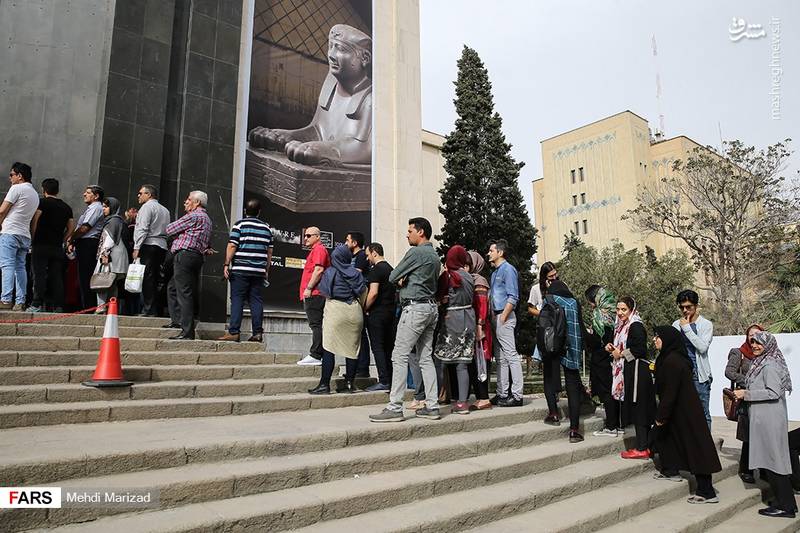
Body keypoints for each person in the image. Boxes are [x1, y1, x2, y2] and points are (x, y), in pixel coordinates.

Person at [249, 24, 372, 167]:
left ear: (365, 58)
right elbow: (318, 130)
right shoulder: (332, 84)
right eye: (331, 46)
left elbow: (363, 149)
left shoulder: (370, 99)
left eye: (341, 49)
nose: (331, 55)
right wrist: (284, 137)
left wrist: (325, 150)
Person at [370, 217, 441, 422]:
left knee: (399, 355)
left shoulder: (416, 252)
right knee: (426, 358)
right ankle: (433, 405)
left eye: (410, 230)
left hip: (415, 308)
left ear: (421, 232)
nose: (407, 234)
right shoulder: (434, 256)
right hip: (430, 308)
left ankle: (394, 407)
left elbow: (393, 277)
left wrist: (403, 280)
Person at [651, 326, 722, 503]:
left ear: (667, 339)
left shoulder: (673, 361)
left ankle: (707, 492)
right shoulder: (669, 358)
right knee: (667, 439)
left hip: (685, 412)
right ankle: (670, 469)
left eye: (657, 336)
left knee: (695, 447)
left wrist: (661, 416)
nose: (654, 340)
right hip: (679, 411)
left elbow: (670, 392)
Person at [733, 331, 797, 518]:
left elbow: (773, 392)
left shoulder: (769, 365)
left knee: (774, 461)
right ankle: (785, 503)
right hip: (764, 419)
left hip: (770, 420)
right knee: (771, 461)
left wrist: (747, 394)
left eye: (758, 343)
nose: (754, 346)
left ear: (767, 345)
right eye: (752, 342)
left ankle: (786, 506)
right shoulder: (760, 362)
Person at [308, 244, 367, 394]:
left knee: (329, 348)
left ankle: (324, 385)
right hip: (354, 311)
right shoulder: (356, 273)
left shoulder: (331, 272)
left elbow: (325, 292)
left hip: (336, 310)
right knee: (352, 349)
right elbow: (363, 293)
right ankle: (349, 384)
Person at [218, 199, 273, 343]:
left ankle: (234, 332)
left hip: (241, 270)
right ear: (259, 211)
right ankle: (257, 333)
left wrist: (226, 264)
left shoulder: (239, 225)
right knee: (256, 301)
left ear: (245, 211)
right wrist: (266, 270)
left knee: (237, 300)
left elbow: (232, 246)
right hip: (258, 271)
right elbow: (269, 252)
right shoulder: (267, 229)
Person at [608, 296, 656, 459]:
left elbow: (640, 350)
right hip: (631, 371)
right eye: (618, 309)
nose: (620, 313)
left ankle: (643, 447)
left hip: (637, 372)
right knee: (638, 408)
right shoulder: (622, 327)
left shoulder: (635, 325)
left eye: (624, 310)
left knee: (639, 409)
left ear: (631, 310)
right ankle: (645, 445)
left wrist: (619, 353)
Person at [433, 245, 476, 414]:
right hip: (469, 320)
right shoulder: (469, 276)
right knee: (462, 363)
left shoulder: (448, 276)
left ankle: (433, 397)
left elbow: (439, 296)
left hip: (451, 320)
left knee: (439, 360)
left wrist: (443, 301)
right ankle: (462, 403)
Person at [165, 191, 212, 340]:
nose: (186, 202)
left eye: (189, 199)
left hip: (185, 255)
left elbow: (169, 229)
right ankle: (177, 320)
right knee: (173, 288)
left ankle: (187, 331)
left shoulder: (194, 216)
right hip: (196, 256)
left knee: (184, 292)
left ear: (197, 202)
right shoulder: (207, 219)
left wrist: (178, 235)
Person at [543, 279, 586, 443]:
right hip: (571, 346)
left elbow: (543, 325)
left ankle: (553, 414)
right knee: (573, 388)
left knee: (549, 378)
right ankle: (574, 430)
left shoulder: (549, 299)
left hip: (552, 345)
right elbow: (580, 326)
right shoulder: (574, 302)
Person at [725, 324, 764, 484]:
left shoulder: (766, 354)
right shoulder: (739, 352)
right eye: (751, 334)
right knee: (749, 435)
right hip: (745, 398)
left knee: (762, 435)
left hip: (762, 398)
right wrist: (749, 382)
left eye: (758, 334)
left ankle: (763, 469)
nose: (754, 337)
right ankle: (746, 469)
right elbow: (729, 372)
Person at [28, 178, 74, 312]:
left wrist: (33, 236)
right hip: (57, 246)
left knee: (39, 274)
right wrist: (63, 238)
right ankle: (58, 305)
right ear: (57, 190)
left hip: (41, 244)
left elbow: (35, 220)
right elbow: (71, 227)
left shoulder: (41, 203)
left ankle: (36, 303)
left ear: (43, 190)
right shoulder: (66, 207)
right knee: (57, 276)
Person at [488, 239, 523, 407]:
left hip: (504, 316)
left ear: (500, 253)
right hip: (496, 317)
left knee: (511, 356)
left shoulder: (508, 270)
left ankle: (517, 395)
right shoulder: (494, 273)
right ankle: (502, 393)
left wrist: (503, 316)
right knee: (500, 358)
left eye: (491, 251)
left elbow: (513, 296)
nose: (489, 253)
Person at [672, 289, 714, 429]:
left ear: (696, 306)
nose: (685, 310)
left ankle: (705, 447)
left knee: (702, 412)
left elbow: (702, 347)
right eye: (682, 307)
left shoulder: (706, 325)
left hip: (699, 374)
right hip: (682, 373)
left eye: (688, 307)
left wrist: (687, 328)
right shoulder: (676, 324)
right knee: (683, 412)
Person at [0, 162, 39, 310]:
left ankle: (5, 300)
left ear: (19, 176)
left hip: (10, 231)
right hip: (25, 234)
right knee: (20, 267)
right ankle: (20, 301)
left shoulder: (16, 188)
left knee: (7, 265)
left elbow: (2, 211)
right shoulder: (35, 194)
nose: (10, 178)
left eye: (11, 175)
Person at [585, 285, 620, 437]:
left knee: (606, 392)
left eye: (590, 301)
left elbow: (597, 341)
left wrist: (587, 334)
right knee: (612, 391)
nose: (591, 305)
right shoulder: (614, 313)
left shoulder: (599, 315)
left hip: (602, 360)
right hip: (612, 360)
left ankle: (611, 426)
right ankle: (617, 423)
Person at [132, 184, 170, 317]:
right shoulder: (165, 210)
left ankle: (148, 309)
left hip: (149, 244)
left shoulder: (146, 207)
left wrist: (137, 247)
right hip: (162, 245)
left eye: (141, 193)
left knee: (147, 278)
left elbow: (142, 228)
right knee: (156, 278)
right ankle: (155, 309)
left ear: (149, 195)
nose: (138, 195)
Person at [363, 242, 395, 392]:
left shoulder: (376, 270)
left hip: (377, 314)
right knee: (388, 348)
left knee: (378, 347)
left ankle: (383, 381)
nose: (367, 258)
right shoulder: (390, 269)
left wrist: (365, 307)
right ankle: (391, 380)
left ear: (374, 253)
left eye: (368, 254)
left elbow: (373, 292)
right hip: (391, 314)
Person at [296, 227, 330, 366]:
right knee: (316, 324)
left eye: (309, 235)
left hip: (315, 294)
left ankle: (316, 355)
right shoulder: (316, 250)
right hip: (315, 293)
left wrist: (309, 288)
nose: (305, 238)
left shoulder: (319, 250)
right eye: (305, 235)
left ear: (317, 237)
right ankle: (316, 354)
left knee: (316, 324)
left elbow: (319, 269)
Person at [69, 185, 105, 309]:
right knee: (82, 277)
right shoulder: (91, 208)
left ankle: (88, 307)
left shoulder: (96, 208)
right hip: (84, 243)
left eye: (88, 192)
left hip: (88, 244)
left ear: (96, 196)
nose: (84, 194)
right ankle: (85, 305)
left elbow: (85, 228)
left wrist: (71, 238)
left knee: (86, 277)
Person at [94, 198, 130, 311]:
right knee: (112, 283)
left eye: (106, 207)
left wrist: (104, 253)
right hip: (117, 254)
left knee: (102, 280)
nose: (103, 209)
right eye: (103, 206)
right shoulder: (119, 220)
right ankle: (111, 307)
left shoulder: (113, 220)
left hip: (110, 255)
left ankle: (101, 307)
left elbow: (109, 239)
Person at [466, 250, 492, 410]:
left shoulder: (479, 281)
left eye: (468, 263)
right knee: (474, 363)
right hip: (474, 325)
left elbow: (482, 305)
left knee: (481, 363)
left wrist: (479, 325)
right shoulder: (471, 279)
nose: (465, 266)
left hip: (480, 327)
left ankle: (484, 397)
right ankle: (480, 396)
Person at [346, 231, 371, 379]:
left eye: (347, 240)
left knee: (360, 335)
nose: (345, 243)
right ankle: (356, 369)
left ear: (355, 243)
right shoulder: (353, 257)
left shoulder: (361, 256)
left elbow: (356, 274)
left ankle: (362, 368)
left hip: (360, 300)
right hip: (354, 300)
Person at [528, 262, 557, 367]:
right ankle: (537, 358)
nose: (554, 278)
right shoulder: (536, 289)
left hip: (558, 324)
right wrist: (543, 314)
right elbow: (530, 308)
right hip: (544, 325)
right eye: (550, 276)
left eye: (555, 275)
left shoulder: (561, 285)